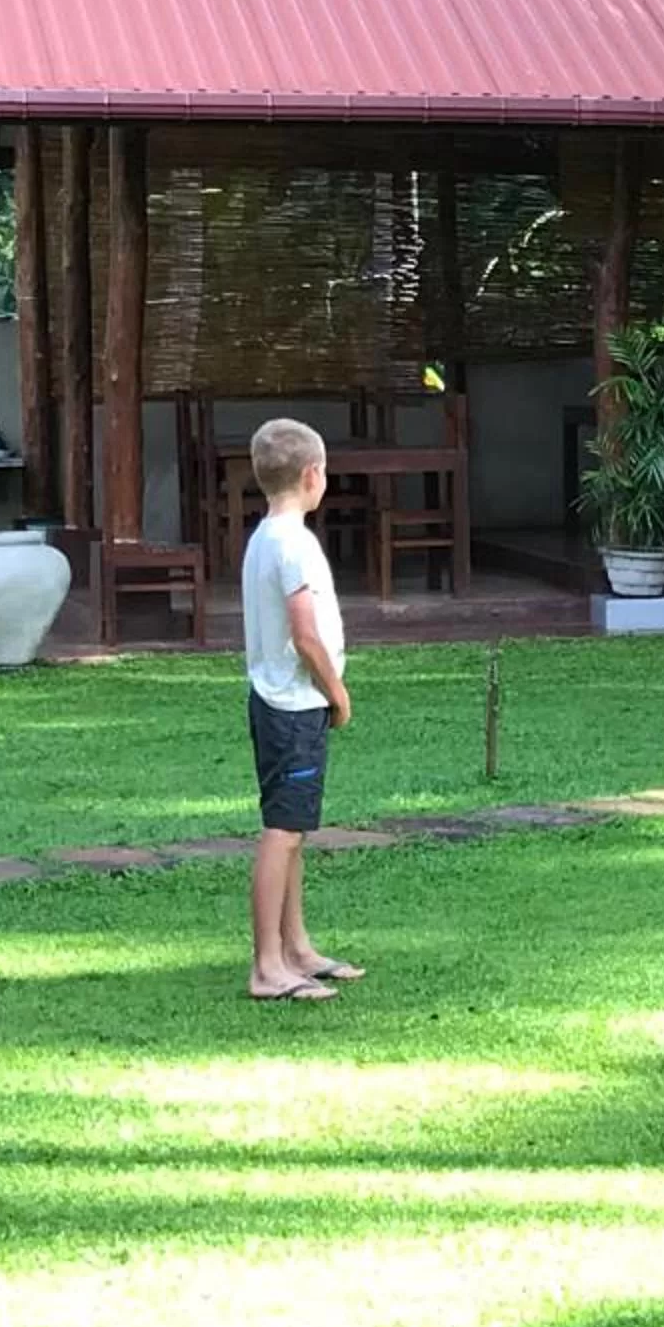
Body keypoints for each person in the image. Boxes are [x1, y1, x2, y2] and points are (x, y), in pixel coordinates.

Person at [240, 417, 359, 1000]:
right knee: (282, 831)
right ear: (314, 476)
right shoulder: (295, 544)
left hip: (277, 702)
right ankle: (267, 965)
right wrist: (336, 692)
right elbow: (305, 634)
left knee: (295, 828)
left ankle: (296, 947)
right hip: (293, 706)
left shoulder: (265, 536)